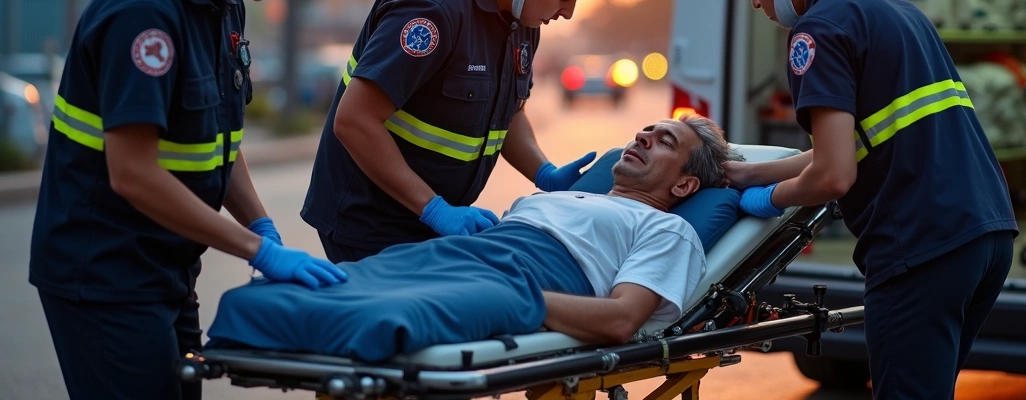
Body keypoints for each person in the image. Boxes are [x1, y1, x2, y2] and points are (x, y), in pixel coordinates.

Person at [28, 0, 347, 400]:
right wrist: (256, 251)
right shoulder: (145, 10)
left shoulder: (222, 1)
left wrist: (261, 225)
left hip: (165, 268)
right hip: (104, 274)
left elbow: (218, 141)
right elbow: (132, 173)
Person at [725, 0, 1018, 399]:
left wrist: (765, 199)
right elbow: (854, 142)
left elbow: (835, 174)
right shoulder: (894, 6)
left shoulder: (817, 31)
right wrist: (750, 171)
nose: (756, 4)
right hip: (985, 236)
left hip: (922, 248)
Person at [210, 116, 736, 361]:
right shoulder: (557, 197)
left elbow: (622, 321)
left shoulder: (668, 230)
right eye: (645, 129)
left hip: (522, 280)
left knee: (385, 316)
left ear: (686, 184)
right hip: (454, 255)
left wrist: (523, 301)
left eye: (664, 141)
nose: (643, 135)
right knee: (313, 287)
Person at [301, 0, 610, 262]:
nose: (567, 13)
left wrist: (544, 172)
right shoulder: (434, 8)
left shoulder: (522, 16)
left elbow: (508, 113)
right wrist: (435, 209)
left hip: (425, 221)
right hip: (371, 222)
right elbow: (354, 120)